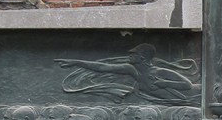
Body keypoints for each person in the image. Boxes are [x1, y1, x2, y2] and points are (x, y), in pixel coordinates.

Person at [56, 43, 200, 105]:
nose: (129, 56)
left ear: (142, 57)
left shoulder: (160, 72)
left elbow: (187, 85)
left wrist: (164, 83)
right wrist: (76, 62)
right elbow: (103, 67)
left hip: (195, 95)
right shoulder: (132, 70)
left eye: (133, 54)